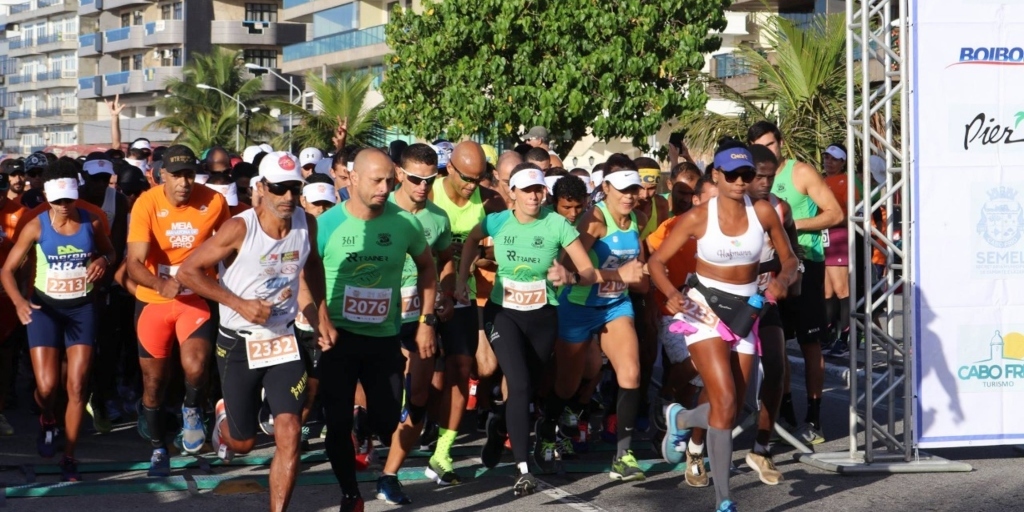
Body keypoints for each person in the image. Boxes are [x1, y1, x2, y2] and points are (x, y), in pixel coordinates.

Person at [177, 151, 327, 512]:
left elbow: (313, 266)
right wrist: (238, 303)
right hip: (239, 344)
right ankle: (224, 416)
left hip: (282, 339)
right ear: (261, 188)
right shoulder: (240, 228)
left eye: (295, 188)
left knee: (288, 431)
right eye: (279, 188)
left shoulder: (308, 223)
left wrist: (321, 315)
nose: (288, 197)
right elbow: (188, 272)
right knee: (242, 443)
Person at [650, 145, 797, 512]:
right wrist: (670, 293)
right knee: (725, 400)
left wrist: (782, 280)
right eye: (731, 175)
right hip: (704, 309)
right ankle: (724, 499)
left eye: (746, 175)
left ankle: (680, 417)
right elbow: (656, 262)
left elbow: (791, 258)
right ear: (715, 174)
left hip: (748, 310)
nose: (739, 181)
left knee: (738, 407)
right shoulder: (699, 217)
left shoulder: (762, 211)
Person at [456, 163, 599, 496]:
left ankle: (499, 426)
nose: (534, 195)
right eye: (527, 190)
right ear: (513, 193)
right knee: (517, 382)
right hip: (503, 312)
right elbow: (471, 243)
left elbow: (589, 272)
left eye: (538, 190)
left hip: (543, 316)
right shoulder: (497, 221)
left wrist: (571, 278)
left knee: (528, 386)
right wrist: (462, 279)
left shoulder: (558, 225)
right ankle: (522, 468)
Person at [315, 148, 438, 512]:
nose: (385, 188)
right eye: (376, 180)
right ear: (352, 179)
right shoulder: (327, 224)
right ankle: (351, 495)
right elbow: (307, 274)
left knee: (387, 423)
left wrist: (426, 322)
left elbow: (428, 270)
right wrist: (319, 316)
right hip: (338, 337)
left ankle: (367, 423)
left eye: (389, 180)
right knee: (336, 424)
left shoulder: (404, 223)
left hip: (384, 337)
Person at [1, 164, 116, 482]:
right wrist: (20, 302)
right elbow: (7, 270)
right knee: (47, 387)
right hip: (45, 310)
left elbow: (111, 252)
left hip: (82, 310)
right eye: (58, 201)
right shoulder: (36, 226)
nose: (64, 206)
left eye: (69, 200)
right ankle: (48, 419)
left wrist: (102, 261)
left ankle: (69, 456)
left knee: (77, 386)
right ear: (48, 199)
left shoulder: (91, 221)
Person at [125, 145, 230, 475]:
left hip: (194, 300)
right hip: (154, 302)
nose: (184, 182)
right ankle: (158, 448)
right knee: (153, 385)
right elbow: (134, 263)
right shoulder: (147, 202)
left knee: (196, 366)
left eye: (189, 175)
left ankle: (191, 409)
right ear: (163, 176)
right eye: (177, 176)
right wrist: (160, 284)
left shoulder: (214, 201)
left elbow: (229, 250)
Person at [546, 165, 648, 481]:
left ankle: (624, 455)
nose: (630, 197)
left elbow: (638, 270)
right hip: (577, 307)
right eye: (623, 191)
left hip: (615, 306)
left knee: (631, 373)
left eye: (634, 190)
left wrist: (645, 277)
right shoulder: (595, 220)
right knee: (568, 384)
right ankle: (548, 433)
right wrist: (619, 275)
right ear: (606, 189)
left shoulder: (639, 221)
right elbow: (566, 270)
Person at [747, 121, 843, 445]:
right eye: (761, 146)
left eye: (772, 144)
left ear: (781, 143)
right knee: (776, 344)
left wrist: (789, 224)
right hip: (768, 270)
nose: (768, 151)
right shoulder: (750, 182)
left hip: (805, 262)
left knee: (809, 342)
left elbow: (835, 213)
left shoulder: (800, 173)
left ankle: (813, 417)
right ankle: (783, 413)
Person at [377, 143, 453, 505]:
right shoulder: (379, 209)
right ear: (399, 174)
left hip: (419, 319)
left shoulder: (438, 218)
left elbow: (446, 259)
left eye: (430, 179)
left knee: (419, 397)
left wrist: (446, 294)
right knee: (385, 403)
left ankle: (389, 476)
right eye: (416, 179)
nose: (423, 187)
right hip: (375, 320)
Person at [428, 141, 505, 485]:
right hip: (420, 293)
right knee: (421, 382)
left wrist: (479, 251)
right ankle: (414, 417)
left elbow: (497, 255)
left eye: (479, 178)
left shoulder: (488, 203)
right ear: (449, 169)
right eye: (466, 178)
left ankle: (442, 452)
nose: (473, 185)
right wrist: (446, 249)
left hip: (462, 293)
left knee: (463, 368)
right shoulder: (426, 193)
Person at [744, 144, 801, 486]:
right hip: (727, 303)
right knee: (730, 389)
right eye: (759, 176)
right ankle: (694, 443)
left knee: (778, 368)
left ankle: (761, 447)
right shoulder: (723, 209)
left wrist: (785, 279)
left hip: (765, 300)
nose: (765, 183)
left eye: (771, 176)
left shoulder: (780, 209)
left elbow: (791, 256)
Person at [78, 158, 130, 434]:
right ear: (84, 178)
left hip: (107, 280)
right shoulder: (72, 198)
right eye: (94, 179)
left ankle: (102, 397)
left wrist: (106, 280)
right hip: (75, 281)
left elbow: (117, 246)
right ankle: (74, 398)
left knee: (108, 345)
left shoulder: (118, 201)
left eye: (104, 178)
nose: (99, 184)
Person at [821, 144, 857, 357]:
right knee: (826, 291)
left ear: (843, 161)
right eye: (826, 157)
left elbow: (853, 214)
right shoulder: (821, 181)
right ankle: (827, 336)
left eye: (834, 158)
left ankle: (844, 339)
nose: (829, 162)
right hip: (822, 238)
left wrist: (833, 220)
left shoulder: (847, 182)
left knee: (842, 290)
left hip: (839, 237)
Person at [0, 172, 27, 436]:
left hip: (8, 298)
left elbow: (26, 260)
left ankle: (1, 410)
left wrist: (21, 294)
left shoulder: (20, 214)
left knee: (7, 354)